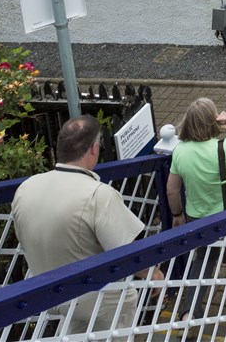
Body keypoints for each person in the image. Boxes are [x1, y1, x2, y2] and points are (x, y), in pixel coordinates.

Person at [11, 115, 152, 331]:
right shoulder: (98, 194)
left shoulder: (26, 188)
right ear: (94, 148)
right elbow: (132, 253)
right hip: (96, 299)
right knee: (123, 301)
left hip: (48, 294)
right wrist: (156, 274)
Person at [165, 98, 226, 318]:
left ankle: (190, 311)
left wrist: (177, 214)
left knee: (204, 257)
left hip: (197, 216)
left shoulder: (180, 152)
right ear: (213, 122)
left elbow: (172, 190)